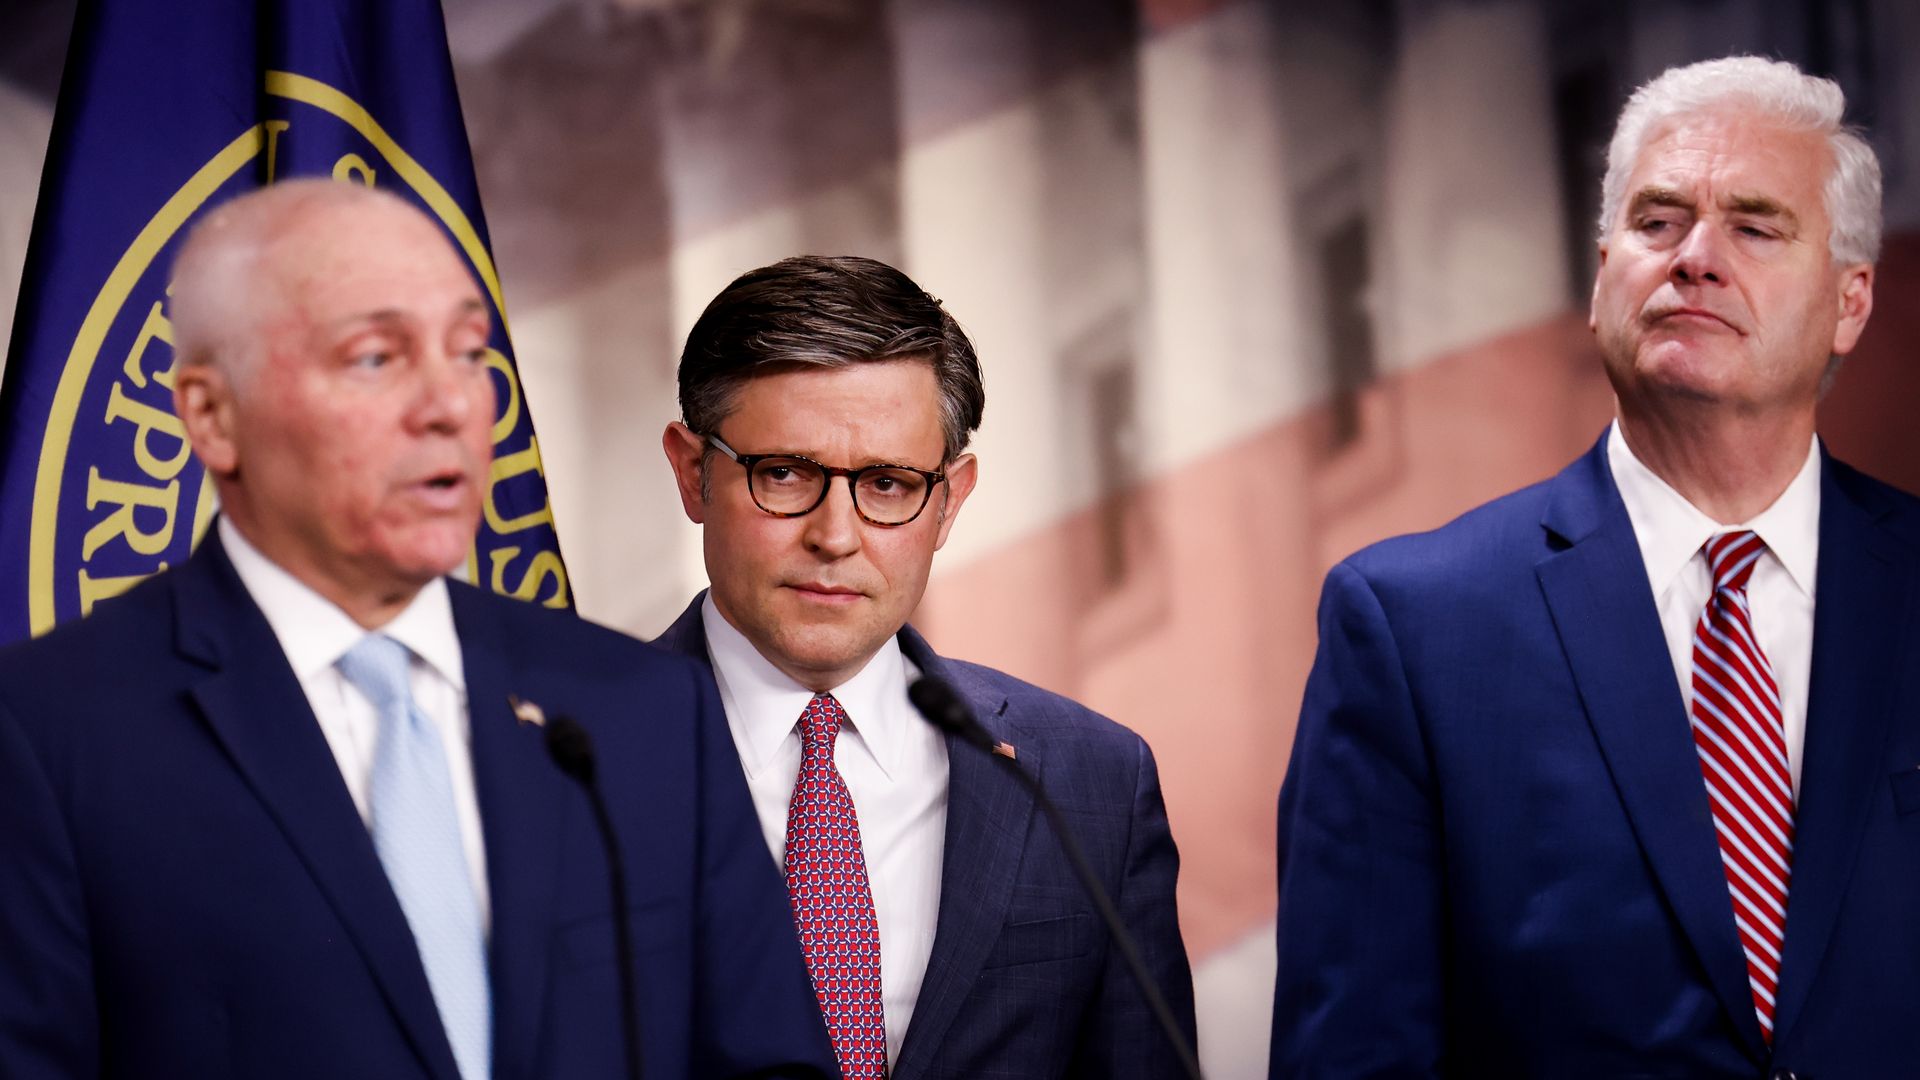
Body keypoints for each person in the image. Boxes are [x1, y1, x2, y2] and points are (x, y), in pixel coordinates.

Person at [0, 180, 835, 1080]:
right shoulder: (46, 735)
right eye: (374, 357)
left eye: (469, 351)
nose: (450, 406)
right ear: (213, 415)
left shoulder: (637, 710)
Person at [1269, 55, 1920, 1078]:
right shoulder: (1411, 629)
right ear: (1601, 273)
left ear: (1851, 301)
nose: (1696, 257)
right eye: (1658, 222)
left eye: (1754, 226)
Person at [653, 255, 1196, 1080]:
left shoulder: (1088, 783)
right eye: (785, 474)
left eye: (888, 483)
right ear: (693, 471)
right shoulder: (548, 762)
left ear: (949, 501)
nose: (836, 535)